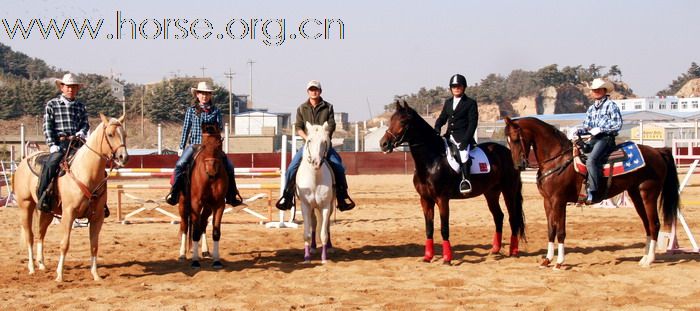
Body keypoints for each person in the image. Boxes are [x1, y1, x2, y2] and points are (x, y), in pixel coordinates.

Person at [275, 80, 355, 211]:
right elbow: (299, 127)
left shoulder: (328, 107)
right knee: (291, 169)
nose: (314, 92)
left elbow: (331, 125)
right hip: (308, 146)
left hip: (324, 145)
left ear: (320, 91)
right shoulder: (302, 108)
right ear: (308, 92)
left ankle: (342, 197)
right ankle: (287, 196)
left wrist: (323, 137)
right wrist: (308, 139)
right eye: (311, 89)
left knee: (339, 167)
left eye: (316, 89)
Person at [37, 73, 111, 216]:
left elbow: (85, 124)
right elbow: (47, 127)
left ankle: (102, 203)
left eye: (74, 87)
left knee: (99, 169)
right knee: (51, 164)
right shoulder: (52, 104)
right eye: (68, 86)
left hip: (78, 144)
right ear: (62, 88)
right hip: (60, 143)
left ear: (77, 89)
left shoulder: (80, 106)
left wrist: (82, 132)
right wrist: (52, 144)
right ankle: (44, 197)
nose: (70, 89)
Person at [165, 81, 243, 207]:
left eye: (207, 94)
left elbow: (220, 128)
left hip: (212, 148)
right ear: (197, 95)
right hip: (195, 146)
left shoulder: (216, 111)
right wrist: (181, 146)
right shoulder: (191, 111)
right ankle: (174, 193)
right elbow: (186, 129)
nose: (204, 96)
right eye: (202, 93)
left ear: (210, 96)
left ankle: (231, 195)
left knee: (230, 166)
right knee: (180, 165)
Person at [577, 78, 623, 204]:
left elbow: (617, 124)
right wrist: (579, 131)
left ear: (604, 90)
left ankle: (594, 192)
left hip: (606, 138)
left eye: (598, 89)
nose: (596, 92)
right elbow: (587, 125)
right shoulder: (591, 108)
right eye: (594, 90)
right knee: (577, 156)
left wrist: (601, 129)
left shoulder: (611, 105)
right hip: (594, 138)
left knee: (592, 160)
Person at [434, 74, 479, 194]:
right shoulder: (448, 102)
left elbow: (472, 123)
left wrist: (466, 140)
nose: (456, 88)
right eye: (454, 86)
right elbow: (443, 117)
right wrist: (437, 126)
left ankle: (466, 181)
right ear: (451, 88)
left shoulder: (470, 103)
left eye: (459, 86)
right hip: (449, 136)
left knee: (463, 155)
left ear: (463, 87)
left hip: (463, 137)